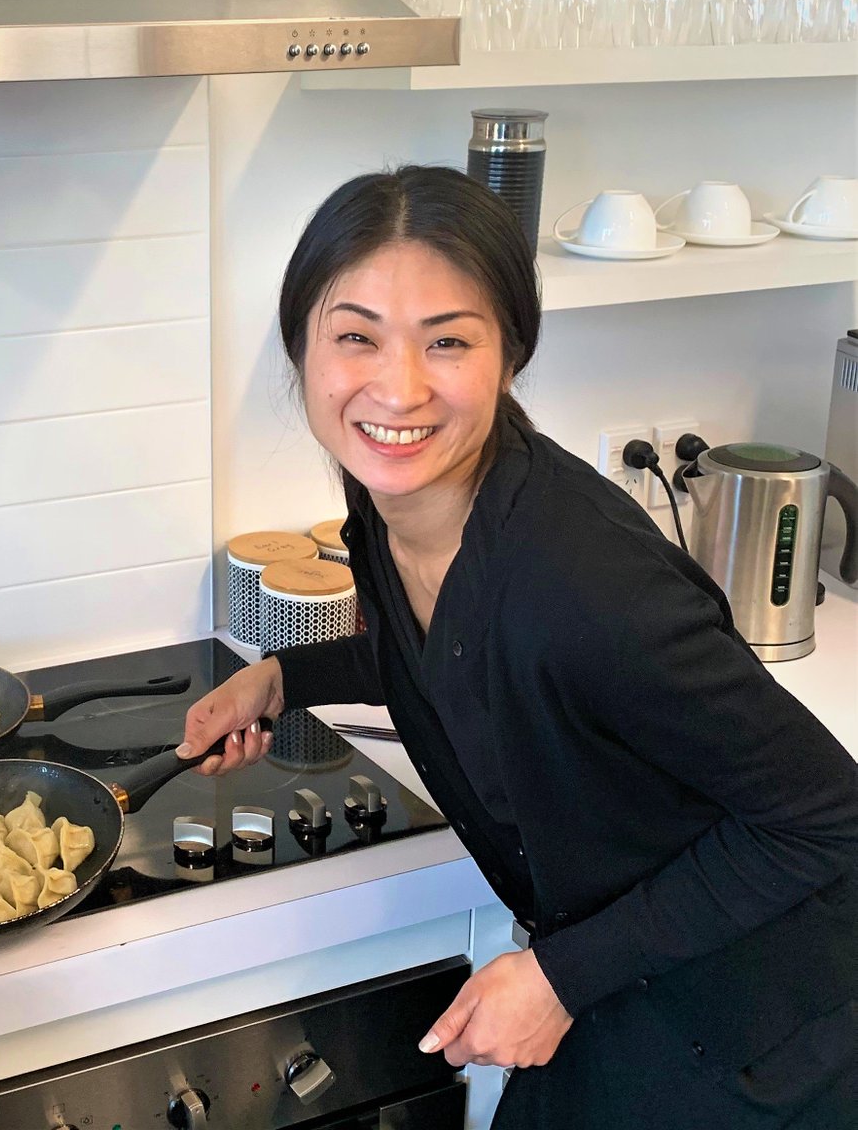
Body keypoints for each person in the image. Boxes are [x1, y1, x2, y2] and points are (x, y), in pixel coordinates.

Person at [178, 165, 858, 1128]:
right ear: (301, 351)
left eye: (446, 341)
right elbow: (454, 653)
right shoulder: (396, 508)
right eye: (355, 337)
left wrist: (558, 979)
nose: (397, 386)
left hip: (750, 1026)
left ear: (508, 354)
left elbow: (826, 818)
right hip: (626, 972)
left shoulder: (581, 580)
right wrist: (287, 677)